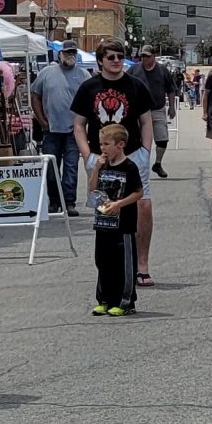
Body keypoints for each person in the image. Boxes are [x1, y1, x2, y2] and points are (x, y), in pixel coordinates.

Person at [72, 43, 162, 282]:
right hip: (100, 156)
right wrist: (87, 155)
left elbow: (146, 121)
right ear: (100, 60)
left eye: (120, 56)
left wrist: (145, 150)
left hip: (132, 154)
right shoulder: (88, 87)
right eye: (110, 57)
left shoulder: (136, 85)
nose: (116, 60)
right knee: (106, 210)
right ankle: (111, 267)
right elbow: (79, 125)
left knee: (143, 205)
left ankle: (141, 263)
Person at [89, 123, 147, 316]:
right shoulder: (103, 164)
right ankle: (104, 299)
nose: (102, 148)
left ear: (120, 145)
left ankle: (125, 301)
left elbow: (138, 193)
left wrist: (119, 204)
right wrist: (96, 168)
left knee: (121, 263)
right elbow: (92, 188)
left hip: (123, 224)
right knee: (102, 260)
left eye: (106, 144)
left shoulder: (129, 167)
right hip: (103, 222)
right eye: (101, 144)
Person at [32, 42, 88, 219]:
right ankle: (54, 202)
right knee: (51, 169)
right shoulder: (46, 73)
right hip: (51, 129)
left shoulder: (83, 75)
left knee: (71, 167)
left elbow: (91, 100)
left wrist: (85, 124)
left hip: (74, 131)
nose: (70, 55)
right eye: (67, 52)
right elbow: (35, 95)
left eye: (73, 52)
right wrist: (41, 119)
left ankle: (69, 202)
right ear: (60, 54)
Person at [132, 46, 177, 179]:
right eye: (143, 56)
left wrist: (172, 107)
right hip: (139, 111)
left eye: (147, 56)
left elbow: (171, 89)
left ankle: (157, 163)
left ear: (154, 56)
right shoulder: (134, 69)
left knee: (162, 139)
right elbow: (125, 83)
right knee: (138, 141)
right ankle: (138, 167)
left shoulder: (162, 70)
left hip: (157, 108)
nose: (145, 59)